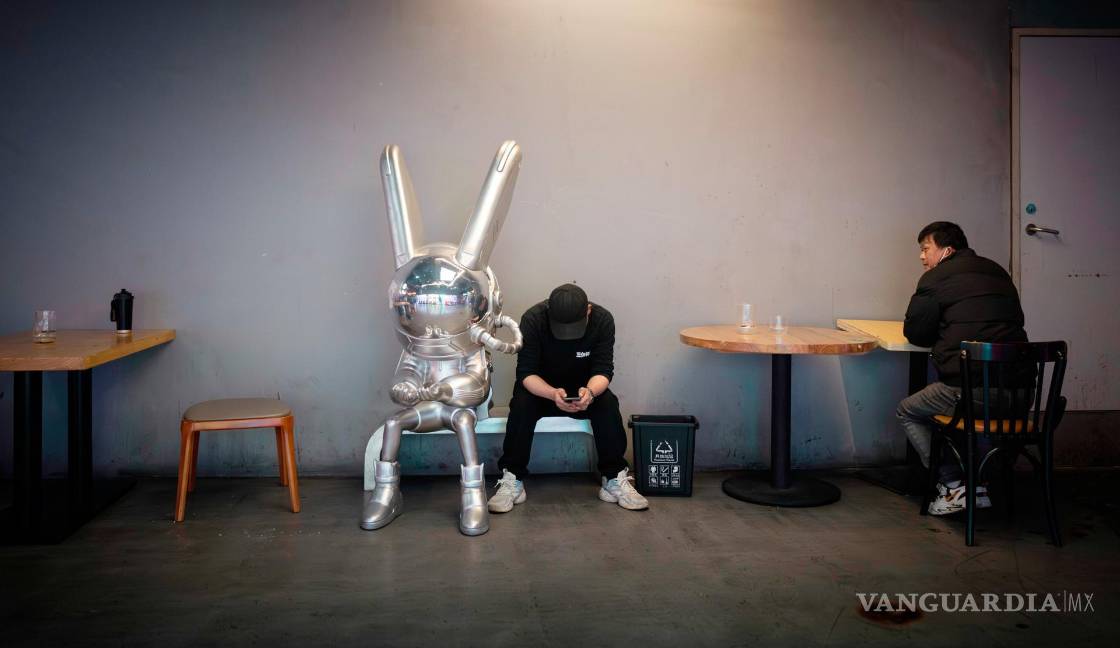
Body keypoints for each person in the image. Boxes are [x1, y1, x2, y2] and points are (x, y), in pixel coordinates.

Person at [899, 221, 1029, 515]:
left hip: (972, 393)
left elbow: (916, 333)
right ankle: (980, 484)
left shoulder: (935, 278)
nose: (922, 257)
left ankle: (953, 484)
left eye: (925, 249)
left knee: (908, 409)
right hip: (1021, 395)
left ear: (946, 250)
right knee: (968, 413)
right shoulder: (997, 271)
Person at [487, 283, 648, 512]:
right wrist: (552, 394)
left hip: (585, 390)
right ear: (549, 312)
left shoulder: (602, 320)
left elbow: (604, 370)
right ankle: (512, 479)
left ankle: (613, 478)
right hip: (542, 391)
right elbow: (526, 373)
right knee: (521, 404)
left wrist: (590, 393)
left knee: (608, 404)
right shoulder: (533, 319)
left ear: (588, 311)